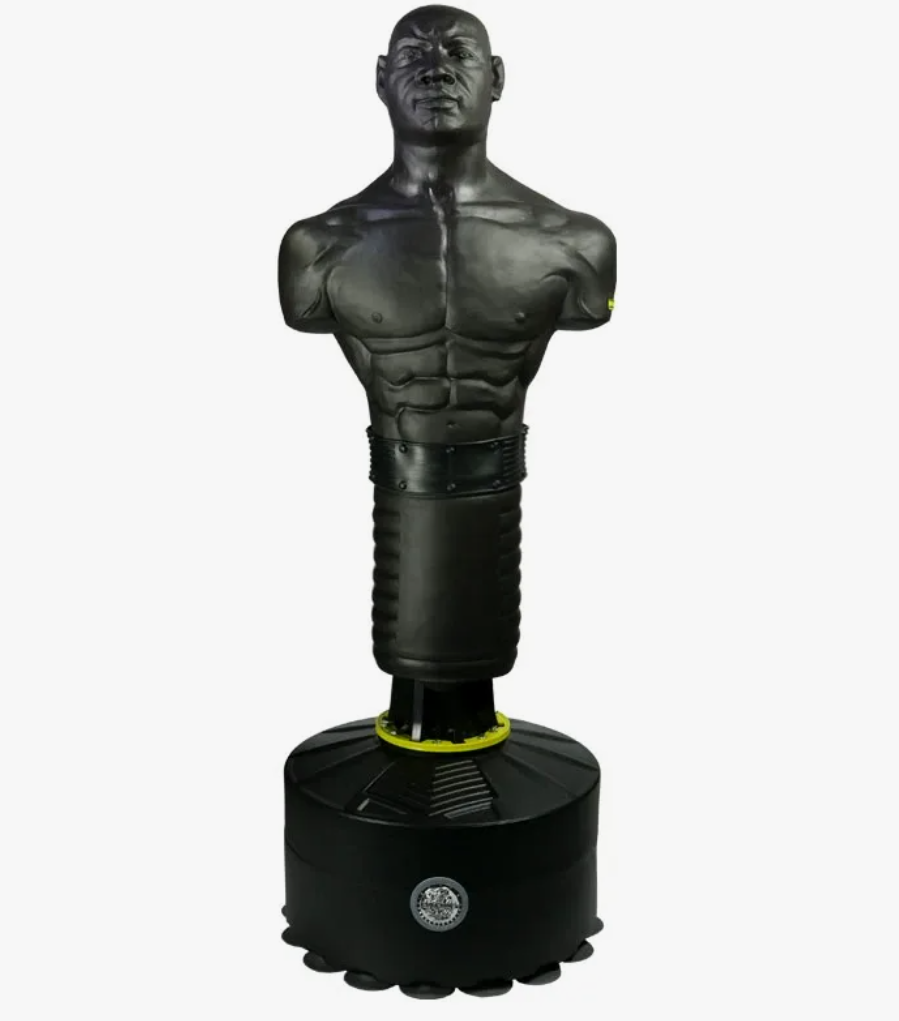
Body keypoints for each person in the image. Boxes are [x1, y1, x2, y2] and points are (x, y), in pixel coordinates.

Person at [279, 5, 616, 740]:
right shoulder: (319, 245)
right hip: (402, 485)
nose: (436, 70)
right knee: (403, 624)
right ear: (380, 80)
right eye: (414, 56)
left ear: (497, 77)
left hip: (493, 494)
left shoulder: (575, 243)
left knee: (482, 627)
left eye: (458, 54)